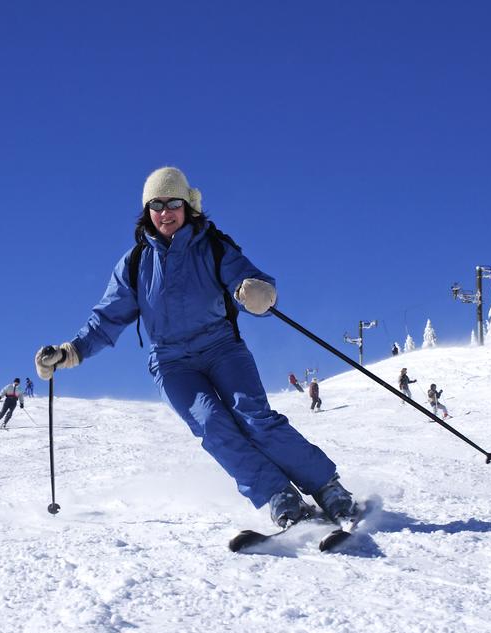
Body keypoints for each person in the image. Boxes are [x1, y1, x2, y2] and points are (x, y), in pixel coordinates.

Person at [34, 166, 355, 529]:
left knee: (254, 417)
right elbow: (107, 318)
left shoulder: (213, 247)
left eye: (173, 203)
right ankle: (279, 495)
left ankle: (327, 487)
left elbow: (250, 284)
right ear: (147, 212)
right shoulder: (135, 264)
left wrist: (256, 292)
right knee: (212, 424)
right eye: (157, 205)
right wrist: (70, 352)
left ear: (187, 206)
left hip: (221, 347)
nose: (165, 212)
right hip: (172, 362)